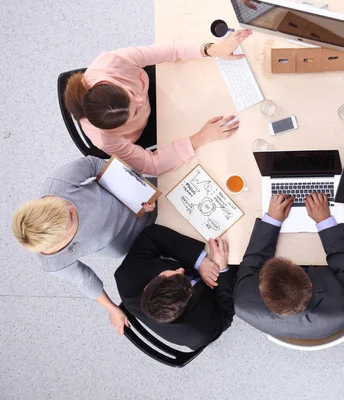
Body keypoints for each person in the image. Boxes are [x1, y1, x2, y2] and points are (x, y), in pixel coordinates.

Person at [63, 30, 253, 176]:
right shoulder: (105, 139)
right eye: (135, 111)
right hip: (153, 128)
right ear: (118, 130)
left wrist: (211, 49)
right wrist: (200, 137)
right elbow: (150, 165)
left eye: (131, 94)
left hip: (161, 89)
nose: (140, 101)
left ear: (112, 83)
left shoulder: (111, 63)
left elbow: (169, 50)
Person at [11, 156, 156, 335]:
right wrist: (112, 309)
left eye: (63, 205)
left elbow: (92, 164)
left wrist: (136, 189)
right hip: (136, 243)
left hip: (140, 201)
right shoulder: (55, 262)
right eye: (70, 219)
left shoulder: (58, 183)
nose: (72, 209)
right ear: (62, 243)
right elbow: (86, 281)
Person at [234, 193, 344, 339]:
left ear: (261, 288)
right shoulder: (342, 305)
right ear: (310, 282)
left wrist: (272, 221)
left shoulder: (243, 303)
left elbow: (253, 260)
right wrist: (324, 221)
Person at [114, 225, 234, 350]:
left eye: (168, 273)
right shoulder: (202, 333)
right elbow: (225, 312)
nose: (180, 270)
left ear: (148, 287)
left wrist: (199, 261)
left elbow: (152, 235)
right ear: (186, 301)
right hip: (218, 287)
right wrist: (222, 270)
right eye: (184, 278)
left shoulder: (126, 276)